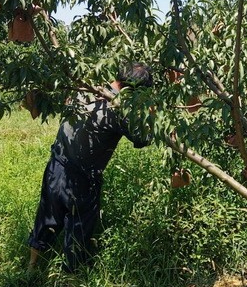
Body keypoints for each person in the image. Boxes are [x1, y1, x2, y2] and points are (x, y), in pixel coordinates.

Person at [28, 62, 154, 272]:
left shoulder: (85, 88)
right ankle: (71, 284)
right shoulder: (119, 110)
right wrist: (148, 113)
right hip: (82, 179)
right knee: (79, 229)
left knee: (46, 217)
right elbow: (143, 139)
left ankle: (31, 267)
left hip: (56, 166)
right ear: (132, 90)